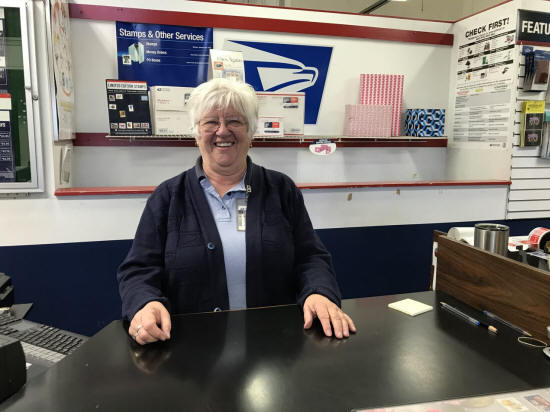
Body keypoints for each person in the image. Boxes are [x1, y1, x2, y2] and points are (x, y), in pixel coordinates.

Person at [117, 78, 356, 345]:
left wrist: (319, 293)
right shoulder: (168, 197)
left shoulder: (281, 189)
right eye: (210, 122)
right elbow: (139, 269)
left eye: (234, 121)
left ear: (251, 133)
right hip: (191, 351)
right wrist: (145, 303)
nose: (222, 131)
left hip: (274, 348)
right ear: (196, 134)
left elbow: (310, 257)